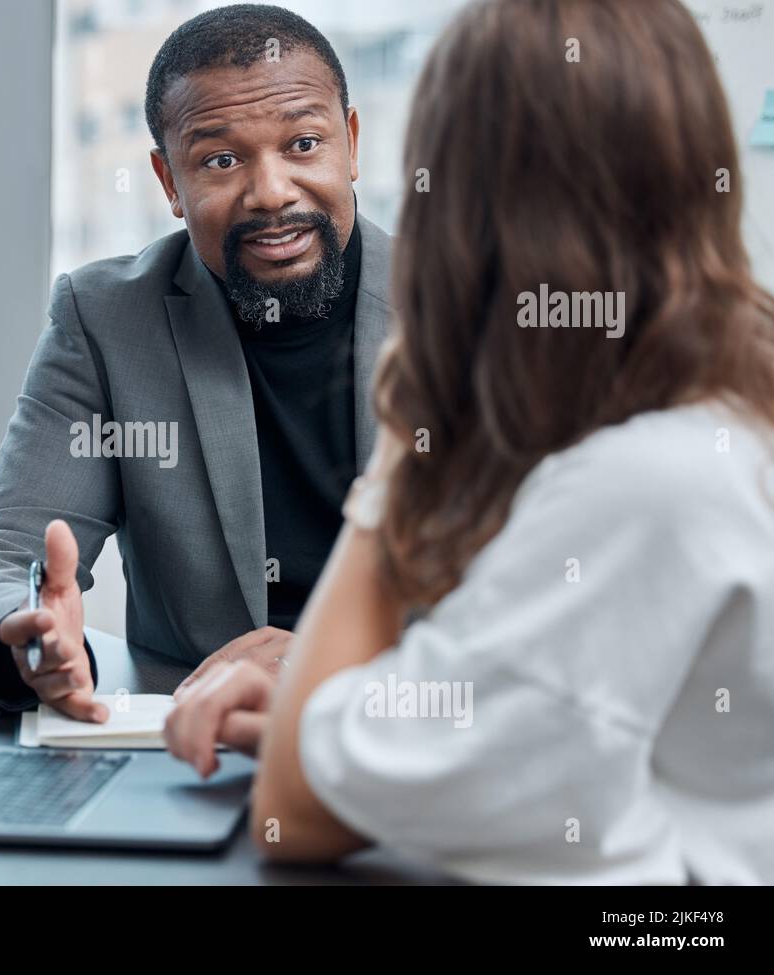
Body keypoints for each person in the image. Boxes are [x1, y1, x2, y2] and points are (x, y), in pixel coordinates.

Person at [163, 0, 774, 884]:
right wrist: (344, 716)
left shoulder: (643, 483)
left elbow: (292, 812)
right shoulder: (730, 406)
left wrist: (410, 431)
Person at [0, 4, 393, 717]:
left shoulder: (469, 304)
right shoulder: (107, 319)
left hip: (419, 745)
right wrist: (26, 633)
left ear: (352, 142)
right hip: (192, 753)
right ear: (169, 182)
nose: (271, 192)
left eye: (304, 144)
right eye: (221, 160)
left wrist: (331, 665)